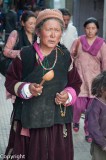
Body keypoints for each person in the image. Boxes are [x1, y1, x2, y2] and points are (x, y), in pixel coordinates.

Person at [4, 9, 82, 160]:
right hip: (30, 120)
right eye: (49, 29)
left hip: (57, 123)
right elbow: (10, 81)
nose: (53, 35)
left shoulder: (65, 57)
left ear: (61, 33)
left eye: (57, 30)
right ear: (38, 31)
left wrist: (67, 95)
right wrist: (26, 88)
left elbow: (75, 83)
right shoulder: (25, 55)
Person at [70, 17, 106, 143]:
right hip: (79, 80)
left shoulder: (101, 44)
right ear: (84, 28)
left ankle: (88, 132)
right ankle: (75, 120)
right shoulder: (78, 41)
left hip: (95, 81)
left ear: (97, 29)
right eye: (88, 28)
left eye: (93, 28)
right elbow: (71, 56)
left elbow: (105, 64)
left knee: (91, 111)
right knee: (78, 106)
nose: (90, 31)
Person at [87, 71, 106, 160]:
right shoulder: (95, 106)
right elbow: (93, 127)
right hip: (100, 144)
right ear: (102, 89)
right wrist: (103, 144)